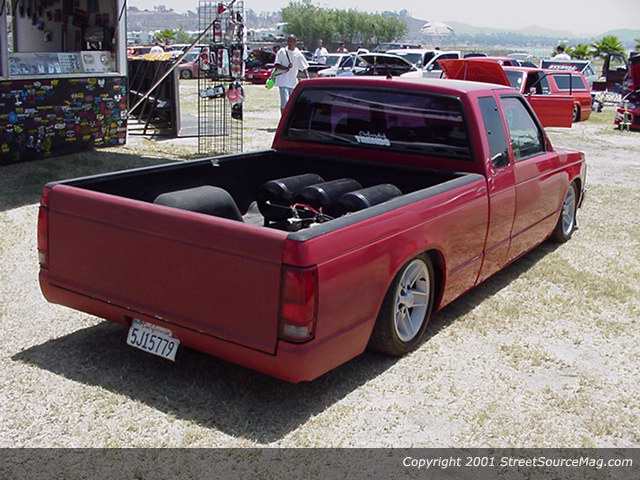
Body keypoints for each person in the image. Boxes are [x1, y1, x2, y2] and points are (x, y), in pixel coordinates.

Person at [274, 35, 309, 113]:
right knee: (285, 103)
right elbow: (276, 64)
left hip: (293, 82)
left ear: (295, 42)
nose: (289, 43)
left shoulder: (298, 53)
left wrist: (308, 79)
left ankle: (289, 118)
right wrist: (286, 68)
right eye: (288, 41)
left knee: (292, 103)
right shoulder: (282, 51)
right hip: (283, 81)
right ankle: (283, 117)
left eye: (291, 41)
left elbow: (304, 67)